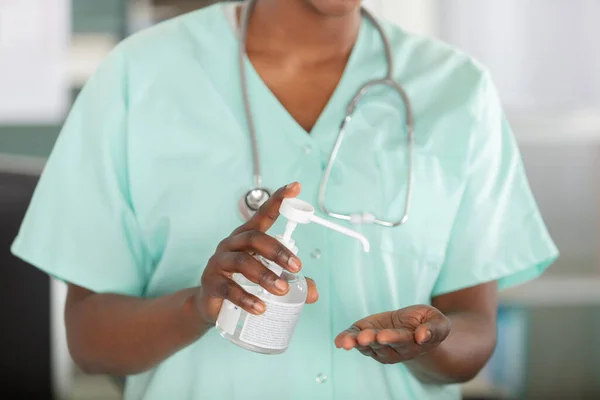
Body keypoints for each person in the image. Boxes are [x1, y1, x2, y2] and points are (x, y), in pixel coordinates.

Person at [11, 0, 558, 399]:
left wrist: (430, 340)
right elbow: (88, 339)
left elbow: (473, 330)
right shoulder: (140, 77)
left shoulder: (457, 89)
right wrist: (197, 306)